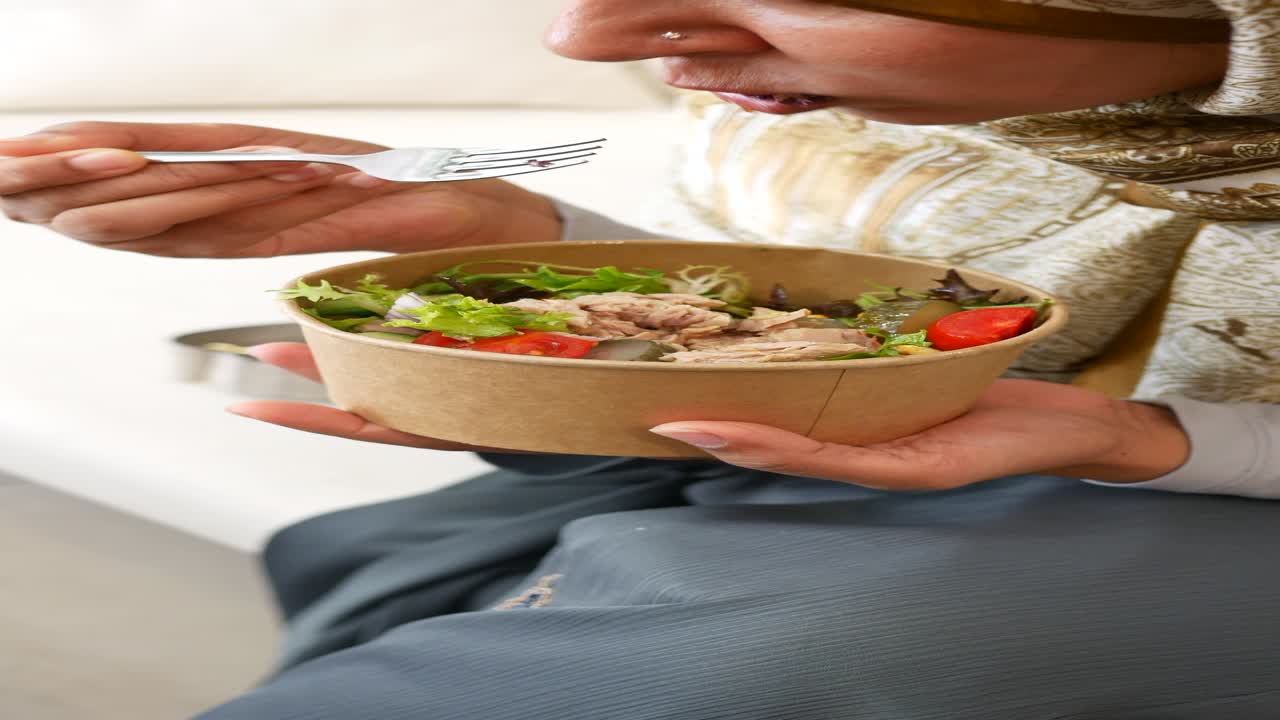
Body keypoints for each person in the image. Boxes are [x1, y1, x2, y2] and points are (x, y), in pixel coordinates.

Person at [1, 1, 1277, 717]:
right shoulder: (850, 113)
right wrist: (525, 253)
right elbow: (814, 307)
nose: (585, 36)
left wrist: (1147, 441)